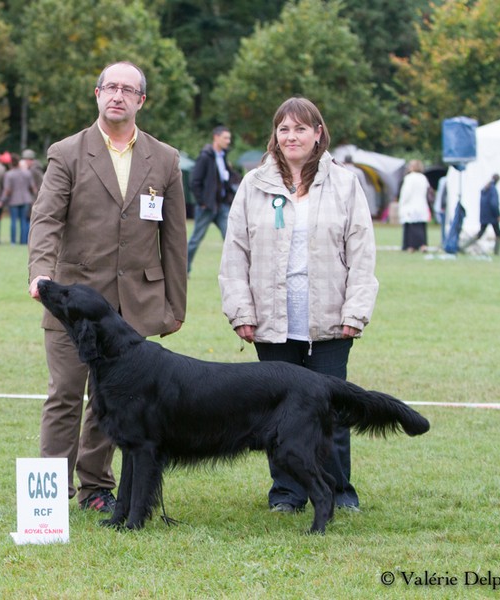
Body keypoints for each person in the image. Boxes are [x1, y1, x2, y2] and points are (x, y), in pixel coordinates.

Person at [27, 61, 188, 512]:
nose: (117, 95)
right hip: (74, 302)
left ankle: (97, 486)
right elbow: (45, 219)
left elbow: (174, 238)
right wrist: (40, 274)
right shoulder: (67, 152)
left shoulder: (166, 158)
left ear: (141, 101)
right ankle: (52, 494)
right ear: (97, 94)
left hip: (135, 303)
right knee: (65, 394)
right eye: (110, 87)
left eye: (128, 89)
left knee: (114, 400)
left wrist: (175, 304)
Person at [219, 97, 378, 513]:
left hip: (329, 318)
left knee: (331, 411)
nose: (292, 137)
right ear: (275, 135)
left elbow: (362, 253)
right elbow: (235, 254)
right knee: (277, 414)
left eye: (301, 129)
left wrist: (355, 312)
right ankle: (287, 494)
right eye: (284, 129)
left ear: (318, 134)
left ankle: (340, 492)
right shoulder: (253, 185)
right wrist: (241, 311)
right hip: (272, 319)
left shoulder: (345, 184)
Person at [186, 126, 238, 274]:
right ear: (216, 137)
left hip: (222, 206)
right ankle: (184, 270)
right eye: (225, 138)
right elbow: (194, 182)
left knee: (231, 239)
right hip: (206, 207)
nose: (228, 141)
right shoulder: (205, 157)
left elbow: (226, 179)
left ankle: (234, 272)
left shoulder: (224, 156)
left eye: (229, 138)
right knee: (195, 240)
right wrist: (202, 202)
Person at [1, 153, 36, 244]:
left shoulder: (9, 174)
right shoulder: (27, 173)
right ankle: (23, 241)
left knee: (13, 221)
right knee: (24, 221)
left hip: (13, 200)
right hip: (26, 199)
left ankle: (13, 241)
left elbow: (7, 190)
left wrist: (2, 200)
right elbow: (33, 188)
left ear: (10, 163)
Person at [398, 160, 431, 252]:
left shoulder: (409, 178)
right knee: (421, 226)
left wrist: (402, 203)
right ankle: (422, 245)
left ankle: (410, 246)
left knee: (411, 227)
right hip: (421, 204)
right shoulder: (423, 178)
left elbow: (406, 193)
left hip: (410, 205)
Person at [465, 174, 500, 255]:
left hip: (484, 215)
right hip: (492, 216)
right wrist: (498, 214)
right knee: (498, 233)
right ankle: (496, 252)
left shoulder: (485, 189)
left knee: (480, 233)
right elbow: (494, 204)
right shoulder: (493, 189)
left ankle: (464, 246)